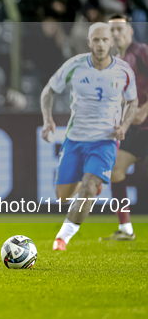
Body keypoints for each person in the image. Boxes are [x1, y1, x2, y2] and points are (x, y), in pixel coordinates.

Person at [41, 23, 138, 251]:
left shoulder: (124, 71)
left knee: (88, 186)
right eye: (96, 40)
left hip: (105, 141)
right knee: (62, 196)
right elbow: (49, 90)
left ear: (111, 42)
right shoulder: (75, 66)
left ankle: (62, 238)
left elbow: (132, 101)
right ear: (89, 42)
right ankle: (91, 185)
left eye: (105, 40)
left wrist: (124, 124)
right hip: (75, 140)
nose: (101, 44)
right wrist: (47, 119)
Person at [105, 14, 148, 241]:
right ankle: (125, 229)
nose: (116, 34)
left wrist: (145, 108)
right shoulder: (116, 63)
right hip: (137, 130)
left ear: (131, 31)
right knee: (115, 170)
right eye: (111, 30)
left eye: (120, 29)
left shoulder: (141, 52)